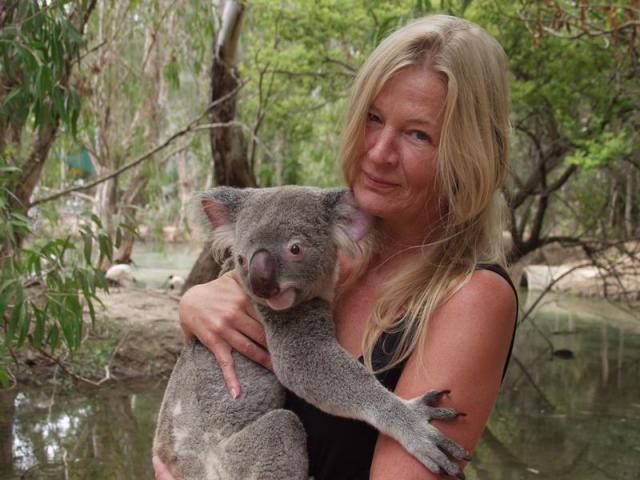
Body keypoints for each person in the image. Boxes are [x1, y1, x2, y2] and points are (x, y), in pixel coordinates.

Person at [154, 14, 517, 480]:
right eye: (373, 118)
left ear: (472, 154)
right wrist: (195, 305)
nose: (379, 152)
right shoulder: (318, 245)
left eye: (417, 134)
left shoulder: (471, 298)